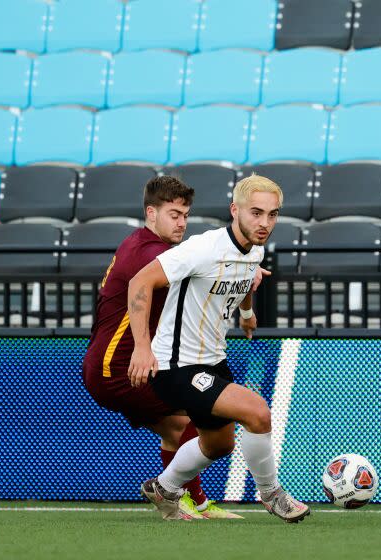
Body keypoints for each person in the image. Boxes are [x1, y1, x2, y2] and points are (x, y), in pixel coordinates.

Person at [127, 174, 310, 523]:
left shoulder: (254, 248)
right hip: (175, 365)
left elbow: (246, 276)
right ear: (235, 210)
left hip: (212, 360)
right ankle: (272, 495)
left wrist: (247, 313)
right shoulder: (203, 248)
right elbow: (141, 280)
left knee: (219, 445)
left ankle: (164, 487)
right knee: (257, 412)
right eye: (256, 213)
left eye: (272, 215)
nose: (264, 222)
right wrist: (141, 348)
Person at [82, 175, 259, 520]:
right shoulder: (151, 254)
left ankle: (190, 502)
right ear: (151, 212)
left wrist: (243, 282)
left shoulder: (146, 245)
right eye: (173, 214)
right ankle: (180, 497)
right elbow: (202, 270)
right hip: (117, 368)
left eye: (185, 215)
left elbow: (208, 268)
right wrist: (143, 348)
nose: (181, 222)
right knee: (206, 410)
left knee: (177, 429)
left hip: (108, 366)